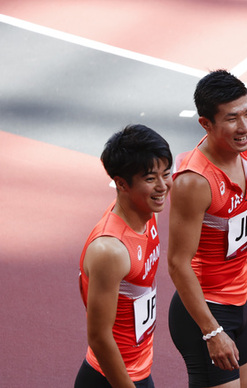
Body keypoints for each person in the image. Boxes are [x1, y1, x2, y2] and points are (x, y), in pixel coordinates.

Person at [167, 69, 247, 388]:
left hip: (238, 303)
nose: (244, 126)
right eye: (231, 118)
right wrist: (212, 332)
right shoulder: (194, 182)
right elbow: (177, 263)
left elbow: (240, 221)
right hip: (205, 310)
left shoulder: (243, 149)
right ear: (206, 124)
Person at [75, 124, 173, 388]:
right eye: (151, 179)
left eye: (166, 173)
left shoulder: (146, 214)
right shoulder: (110, 250)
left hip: (139, 369)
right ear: (121, 184)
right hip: (111, 379)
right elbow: (98, 336)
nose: (163, 186)